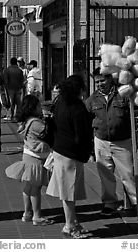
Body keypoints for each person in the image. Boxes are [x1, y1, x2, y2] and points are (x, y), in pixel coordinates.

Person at [84, 67, 138, 219]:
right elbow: (86, 119)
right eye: (97, 82)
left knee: (128, 174)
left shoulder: (123, 94)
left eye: (102, 80)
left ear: (110, 79)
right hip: (101, 141)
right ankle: (109, 204)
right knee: (106, 175)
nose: (100, 84)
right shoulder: (92, 99)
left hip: (123, 141)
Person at [46, 75, 93, 239]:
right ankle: (70, 225)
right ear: (79, 89)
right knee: (69, 192)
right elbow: (82, 134)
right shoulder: (77, 107)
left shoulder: (60, 102)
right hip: (72, 153)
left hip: (59, 150)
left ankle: (73, 222)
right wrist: (88, 152)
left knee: (68, 191)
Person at [5, 95, 54, 226]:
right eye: (39, 106)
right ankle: (37, 216)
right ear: (34, 107)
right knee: (36, 188)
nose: (41, 108)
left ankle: (27, 213)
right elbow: (48, 133)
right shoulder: (36, 123)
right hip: (36, 158)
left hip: (28, 155)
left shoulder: (27, 121)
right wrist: (50, 120)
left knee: (28, 187)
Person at [3, 57, 24, 122]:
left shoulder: (7, 70)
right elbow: (22, 80)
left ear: (10, 62)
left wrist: (5, 88)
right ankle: (17, 116)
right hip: (18, 89)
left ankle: (10, 116)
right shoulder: (20, 70)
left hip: (10, 89)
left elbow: (6, 81)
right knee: (18, 103)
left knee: (10, 103)